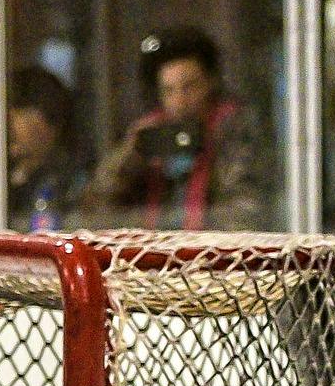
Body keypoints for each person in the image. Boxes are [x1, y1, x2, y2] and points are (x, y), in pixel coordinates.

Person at [79, 26, 274, 232]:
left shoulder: (233, 130)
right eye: (168, 91)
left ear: (210, 83)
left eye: (189, 87)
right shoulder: (151, 135)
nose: (180, 102)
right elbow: (94, 207)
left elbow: (245, 213)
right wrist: (131, 154)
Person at [0, 66, 89, 233]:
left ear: (51, 123)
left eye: (20, 109)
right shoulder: (1, 173)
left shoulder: (72, 181)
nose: (7, 121)